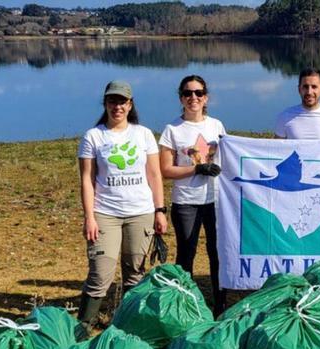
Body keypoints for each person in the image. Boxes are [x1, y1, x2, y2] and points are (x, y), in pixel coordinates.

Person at [77, 80, 168, 330]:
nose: (117, 106)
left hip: (141, 213)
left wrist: (160, 211)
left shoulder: (144, 134)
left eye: (122, 101)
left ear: (130, 104)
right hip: (105, 213)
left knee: (136, 274)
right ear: (105, 103)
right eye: (112, 101)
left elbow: (154, 175)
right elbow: (87, 179)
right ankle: (83, 328)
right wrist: (89, 217)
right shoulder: (93, 136)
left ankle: (130, 326)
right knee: (100, 274)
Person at [159, 74, 227, 315]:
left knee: (217, 253)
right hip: (186, 201)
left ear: (206, 97)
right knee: (186, 253)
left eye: (198, 93)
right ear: (181, 98)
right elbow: (166, 169)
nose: (193, 98)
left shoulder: (216, 126)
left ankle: (220, 303)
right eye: (188, 93)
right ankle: (183, 304)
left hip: (216, 200)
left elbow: (227, 158)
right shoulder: (172, 130)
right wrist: (196, 168)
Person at [275, 67, 320, 143]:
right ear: (299, 89)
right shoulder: (285, 116)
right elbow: (277, 150)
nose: (309, 92)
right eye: (305, 87)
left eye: (314, 87)